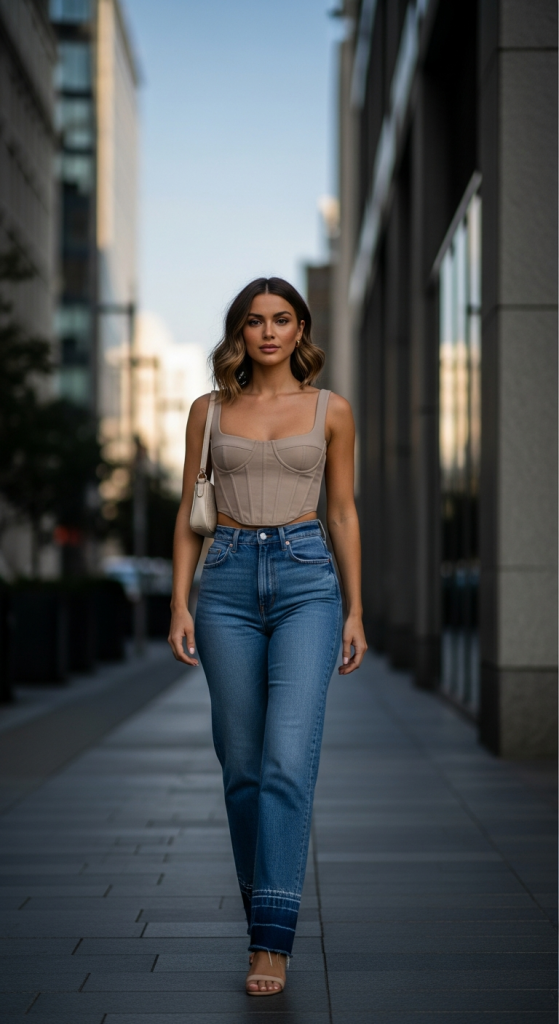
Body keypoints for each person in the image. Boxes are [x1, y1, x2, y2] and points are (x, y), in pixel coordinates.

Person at [169, 277, 367, 996]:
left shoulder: (330, 410)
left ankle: (271, 945)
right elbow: (189, 504)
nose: (269, 332)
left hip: (307, 583)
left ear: (301, 328)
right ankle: (267, 923)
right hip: (222, 582)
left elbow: (342, 512)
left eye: (282, 319)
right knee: (243, 768)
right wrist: (178, 604)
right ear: (239, 333)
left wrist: (353, 609)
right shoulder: (209, 410)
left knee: (287, 760)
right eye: (254, 322)